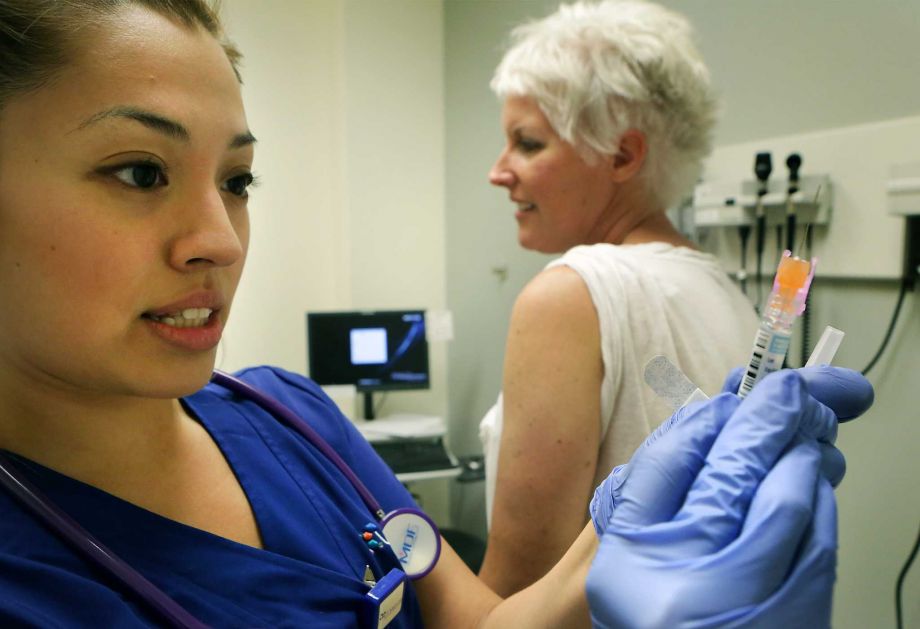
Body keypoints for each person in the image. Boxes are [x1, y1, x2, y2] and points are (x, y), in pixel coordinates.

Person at [0, 1, 873, 627]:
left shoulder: (292, 417)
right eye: (140, 171)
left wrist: (606, 545)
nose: (220, 240)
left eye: (239, 180)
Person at [478, 0, 761, 595]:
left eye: (526, 143)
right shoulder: (727, 293)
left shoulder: (570, 295)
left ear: (623, 155)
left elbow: (520, 596)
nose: (498, 172)